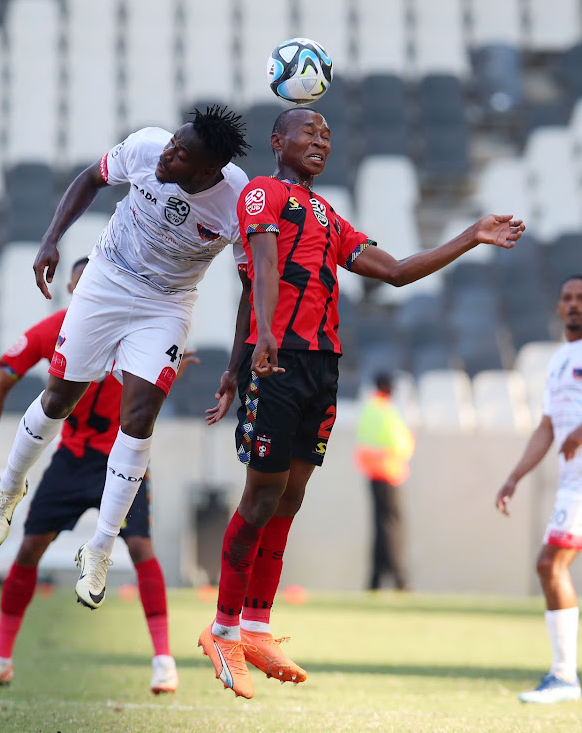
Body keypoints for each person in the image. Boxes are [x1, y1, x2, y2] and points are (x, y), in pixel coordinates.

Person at [198, 105, 525, 699]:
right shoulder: (262, 195)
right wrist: (260, 339)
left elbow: (396, 272)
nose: (321, 139)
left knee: (290, 499)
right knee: (260, 496)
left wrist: (470, 236)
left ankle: (256, 626)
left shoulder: (328, 214)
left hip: (322, 369)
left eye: (327, 133)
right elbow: (262, 267)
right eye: (308, 132)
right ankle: (222, 629)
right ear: (277, 142)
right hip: (279, 360)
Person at [0, 106, 253, 615]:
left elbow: (251, 287)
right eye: (172, 144)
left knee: (140, 418)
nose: (167, 154)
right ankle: (10, 487)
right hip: (107, 280)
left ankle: (100, 547)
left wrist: (235, 368)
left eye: (181, 154)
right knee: (59, 399)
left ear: (208, 169)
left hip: (166, 304)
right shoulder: (147, 147)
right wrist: (51, 238)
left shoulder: (238, 201)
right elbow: (90, 178)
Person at [0, 258, 197, 694]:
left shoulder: (135, 332)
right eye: (81, 281)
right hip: (71, 459)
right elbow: (1, 380)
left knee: (141, 547)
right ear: (72, 287)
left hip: (119, 464)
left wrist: (171, 374)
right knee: (29, 546)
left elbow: (144, 393)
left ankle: (164, 661)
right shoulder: (55, 330)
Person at [496, 275, 582, 704]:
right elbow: (547, 427)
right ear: (557, 307)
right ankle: (565, 676)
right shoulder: (560, 359)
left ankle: (565, 676)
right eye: (567, 297)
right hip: (573, 483)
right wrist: (514, 476)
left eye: (581, 298)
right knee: (551, 565)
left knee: (550, 563)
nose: (573, 305)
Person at [355, 371, 415, 591]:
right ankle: (399, 578)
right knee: (391, 527)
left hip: (375, 473)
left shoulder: (370, 407)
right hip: (388, 472)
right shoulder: (384, 409)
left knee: (381, 527)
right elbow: (400, 444)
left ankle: (376, 580)